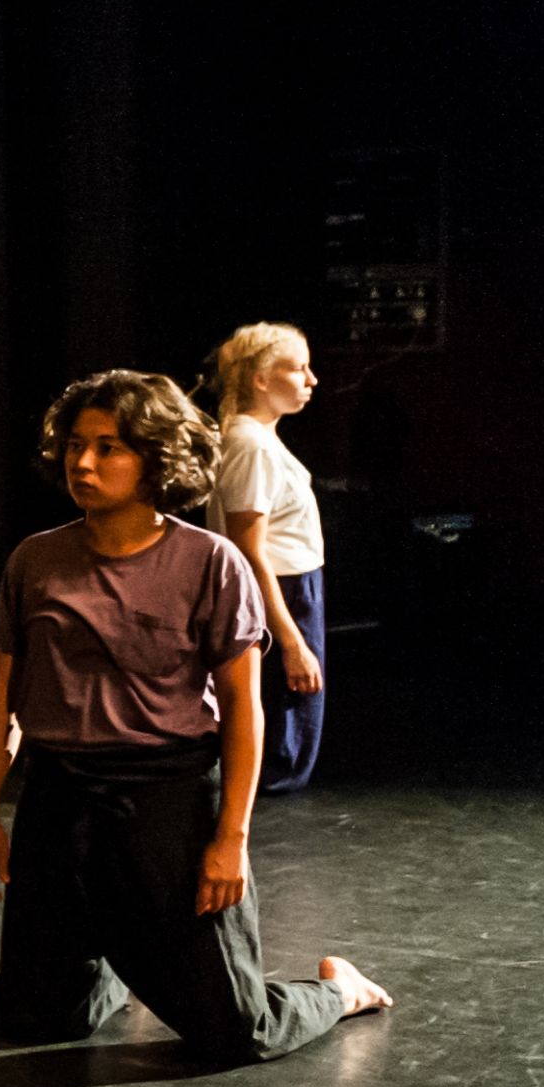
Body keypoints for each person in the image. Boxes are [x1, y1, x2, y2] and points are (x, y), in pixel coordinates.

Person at [0, 370, 391, 1061]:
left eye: (109, 448)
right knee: (36, 1018)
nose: (83, 463)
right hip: (59, 796)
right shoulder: (36, 560)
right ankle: (115, 963)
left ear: (156, 458)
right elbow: (1, 692)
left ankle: (340, 992)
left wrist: (231, 839)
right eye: (76, 445)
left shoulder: (210, 563)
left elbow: (243, 711)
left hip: (166, 798)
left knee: (236, 1031)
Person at [206, 321, 330, 794]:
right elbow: (247, 549)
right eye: (297, 369)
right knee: (281, 746)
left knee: (292, 739)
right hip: (280, 591)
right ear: (260, 379)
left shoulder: (258, 437)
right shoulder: (250, 444)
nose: (310, 379)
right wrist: (292, 640)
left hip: (295, 585)